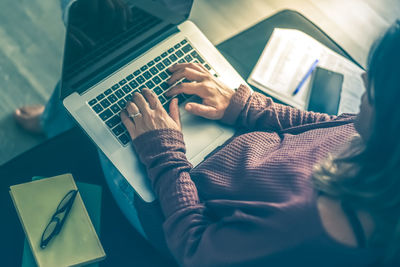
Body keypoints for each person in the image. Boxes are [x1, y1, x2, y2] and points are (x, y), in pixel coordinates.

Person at [14, 3, 400, 265]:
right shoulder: (378, 143)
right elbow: (315, 127)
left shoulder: (307, 225)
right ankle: (61, 113)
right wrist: (242, 105)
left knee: (96, 75)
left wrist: (164, 154)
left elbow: (194, 249)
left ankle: (56, 121)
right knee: (123, 52)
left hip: (171, 201)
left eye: (375, 90)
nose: (364, 79)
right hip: (222, 149)